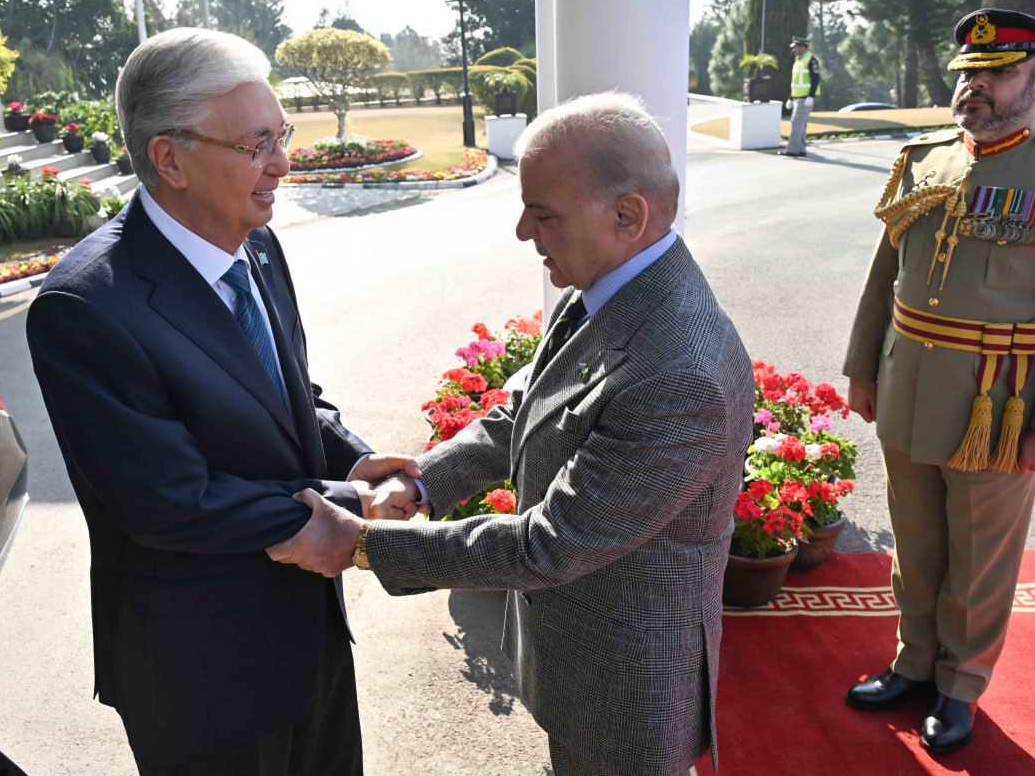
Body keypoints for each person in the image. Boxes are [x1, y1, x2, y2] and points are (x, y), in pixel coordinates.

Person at [268, 91, 755, 776]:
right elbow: (521, 412)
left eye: (543, 213)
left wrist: (365, 546)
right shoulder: (616, 285)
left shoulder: (677, 373)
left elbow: (550, 543)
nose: (523, 231)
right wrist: (422, 481)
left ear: (628, 215)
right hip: (580, 655)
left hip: (626, 692)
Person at [26, 28, 417, 775]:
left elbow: (291, 395)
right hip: (202, 677)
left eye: (282, 133)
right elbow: (170, 499)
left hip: (312, 640)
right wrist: (352, 504)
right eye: (256, 143)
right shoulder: (87, 308)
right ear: (169, 158)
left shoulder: (258, 246)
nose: (281, 161)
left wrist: (356, 457)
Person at [843, 8, 1035, 754]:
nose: (977, 88)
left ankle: (960, 685)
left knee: (979, 552)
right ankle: (913, 663)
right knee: (919, 541)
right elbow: (884, 277)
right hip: (907, 385)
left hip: (996, 404)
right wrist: (862, 367)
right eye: (970, 74)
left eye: (998, 74)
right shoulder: (924, 161)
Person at [781, 36, 820, 158]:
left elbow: (815, 78)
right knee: (801, 124)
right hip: (798, 97)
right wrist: (791, 97)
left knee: (796, 122)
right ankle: (801, 150)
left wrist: (811, 96)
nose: (793, 50)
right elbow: (795, 81)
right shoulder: (798, 61)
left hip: (805, 97)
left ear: (802, 47)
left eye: (795, 47)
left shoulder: (811, 60)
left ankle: (792, 150)